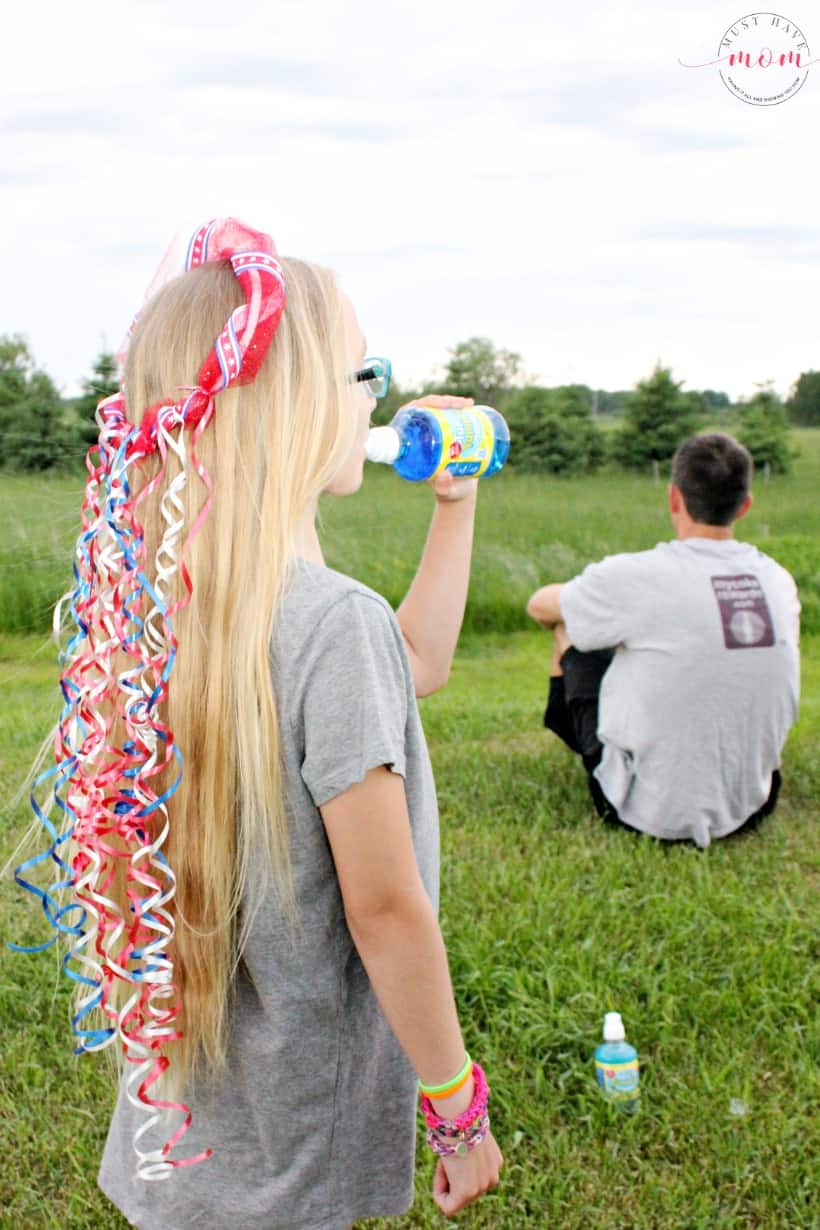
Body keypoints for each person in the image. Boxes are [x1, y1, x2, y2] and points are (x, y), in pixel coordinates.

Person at [13, 219, 502, 1228]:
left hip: (184, 1144)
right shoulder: (330, 625)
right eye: (361, 371)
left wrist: (455, 506)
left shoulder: (158, 604)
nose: (376, 397)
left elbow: (419, 668)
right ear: (300, 405)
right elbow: (385, 909)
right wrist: (457, 1106)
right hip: (293, 1153)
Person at [526, 432, 800, 848]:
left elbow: (539, 606)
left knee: (571, 629)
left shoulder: (637, 576)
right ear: (745, 505)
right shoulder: (777, 580)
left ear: (674, 498)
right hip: (753, 802)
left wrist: (585, 592)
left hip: (648, 815)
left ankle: (595, 753)